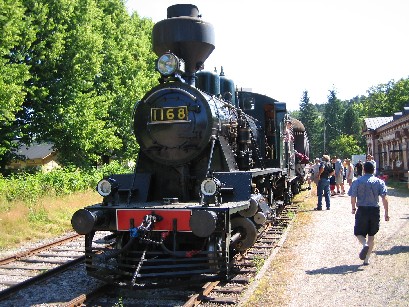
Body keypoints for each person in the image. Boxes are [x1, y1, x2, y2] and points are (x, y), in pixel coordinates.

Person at [348, 161, 389, 265]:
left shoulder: (357, 181)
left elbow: (353, 196)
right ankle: (366, 260)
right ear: (373, 170)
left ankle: (364, 244)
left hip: (362, 209)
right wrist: (386, 213)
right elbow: (384, 197)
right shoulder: (379, 182)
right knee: (372, 234)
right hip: (374, 210)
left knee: (358, 232)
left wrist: (353, 208)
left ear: (363, 170)